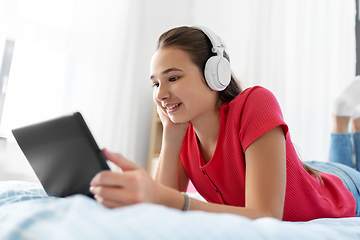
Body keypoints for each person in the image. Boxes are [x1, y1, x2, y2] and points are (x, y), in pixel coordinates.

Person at [89, 26, 360, 222]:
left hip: (341, 188)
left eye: (173, 78)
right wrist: (171, 137)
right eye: (156, 83)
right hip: (302, 173)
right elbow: (162, 214)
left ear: (215, 74)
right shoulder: (184, 134)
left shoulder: (255, 102)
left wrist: (172, 200)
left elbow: (265, 216)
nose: (160, 94)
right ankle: (347, 122)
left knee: (350, 170)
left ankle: (341, 121)